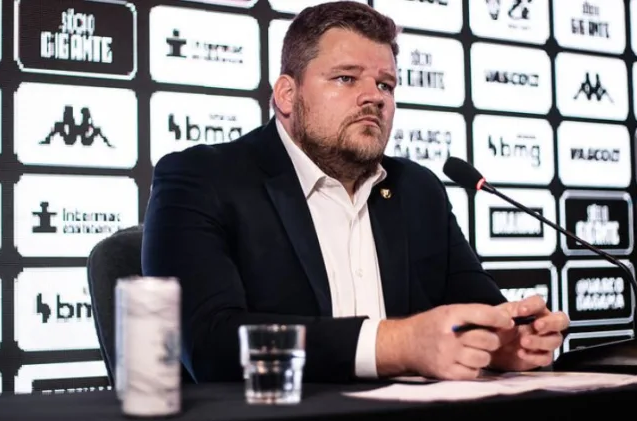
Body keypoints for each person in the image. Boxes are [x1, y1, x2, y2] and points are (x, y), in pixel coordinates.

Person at [141, 1, 570, 384]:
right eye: (346, 78)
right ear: (287, 95)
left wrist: (507, 342)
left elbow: (478, 308)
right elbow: (210, 345)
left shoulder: (418, 190)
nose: (373, 98)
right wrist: (397, 345)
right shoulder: (203, 178)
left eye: (385, 85)